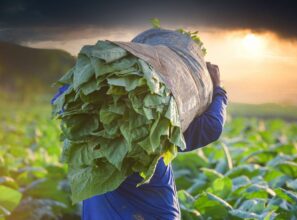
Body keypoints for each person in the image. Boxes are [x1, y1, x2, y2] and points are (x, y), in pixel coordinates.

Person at [51, 61, 228, 220]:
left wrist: (98, 68)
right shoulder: (154, 132)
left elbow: (62, 98)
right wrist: (219, 89)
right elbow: (212, 127)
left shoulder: (88, 132)